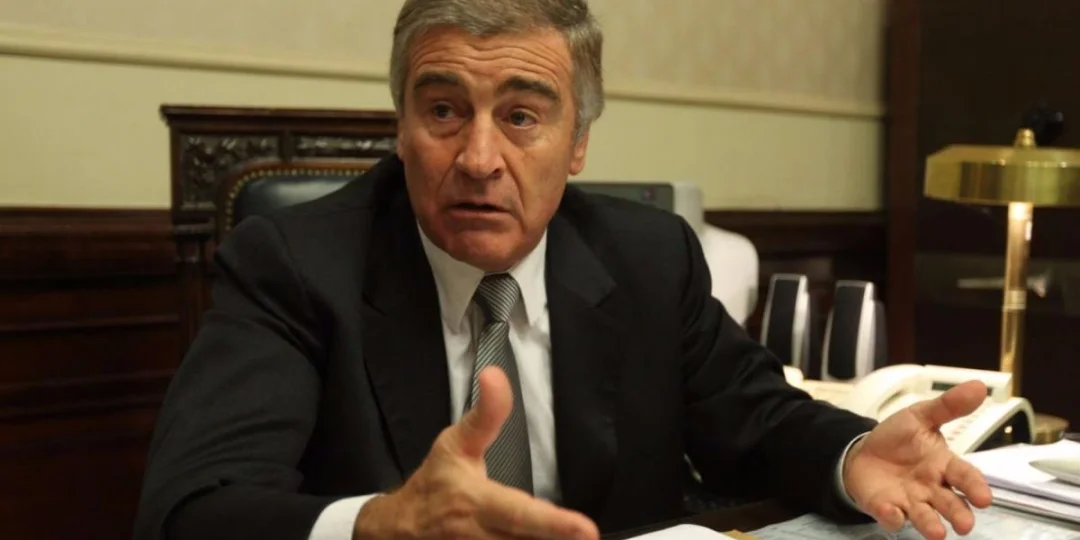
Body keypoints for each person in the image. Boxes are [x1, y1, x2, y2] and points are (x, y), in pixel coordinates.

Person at [134, 1, 992, 539]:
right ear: (399, 128)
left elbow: (755, 420)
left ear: (577, 142)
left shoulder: (648, 257)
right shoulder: (294, 264)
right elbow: (190, 508)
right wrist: (378, 526)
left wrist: (850, 452)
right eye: (443, 111)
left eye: (520, 117)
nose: (478, 158)